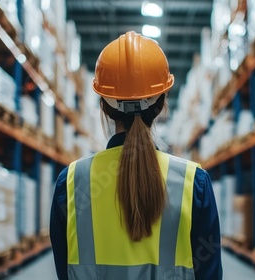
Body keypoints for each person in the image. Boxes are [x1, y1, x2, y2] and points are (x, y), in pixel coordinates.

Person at [50, 31, 222, 280]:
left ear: (104, 107)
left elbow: (64, 271)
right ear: (162, 102)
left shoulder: (72, 183)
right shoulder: (193, 183)